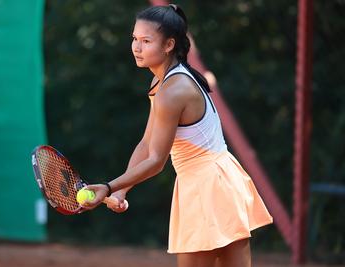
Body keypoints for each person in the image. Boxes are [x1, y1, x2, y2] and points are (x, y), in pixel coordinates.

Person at [84, 4, 273, 267]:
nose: (137, 47)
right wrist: (123, 190)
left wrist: (108, 187)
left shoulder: (172, 91)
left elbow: (156, 160)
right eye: (134, 39)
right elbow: (147, 142)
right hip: (220, 181)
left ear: (169, 44)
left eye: (146, 40)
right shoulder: (161, 83)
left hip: (207, 187)